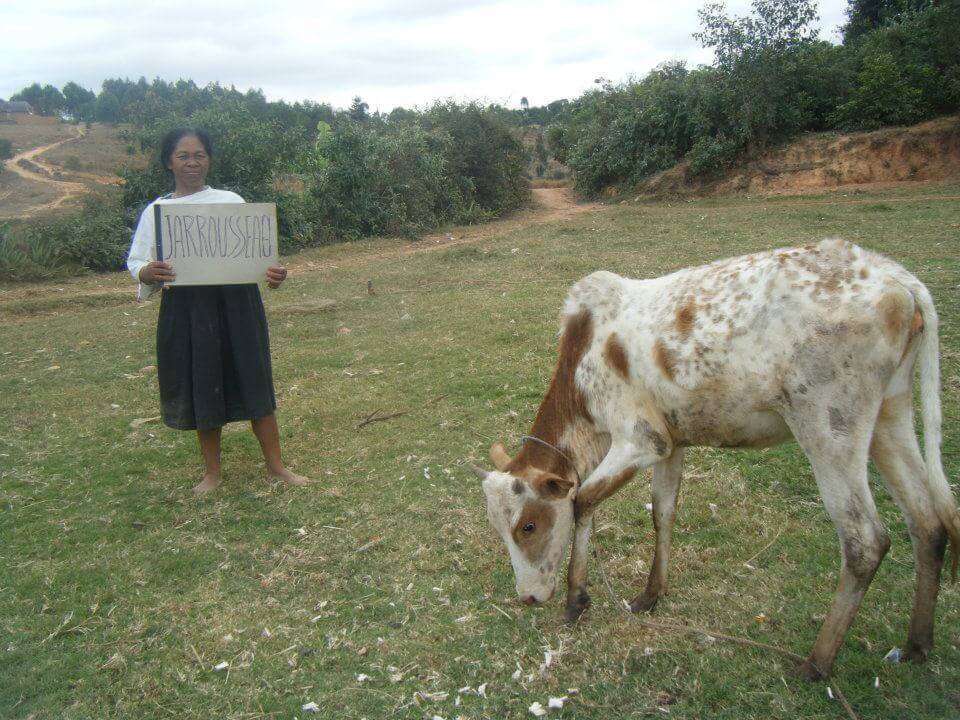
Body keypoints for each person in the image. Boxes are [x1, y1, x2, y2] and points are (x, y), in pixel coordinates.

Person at [126, 127, 308, 495]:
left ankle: (277, 467)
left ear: (209, 160)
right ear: (168, 162)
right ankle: (212, 474)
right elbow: (138, 262)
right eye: (183, 156)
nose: (192, 162)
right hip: (188, 310)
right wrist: (148, 271)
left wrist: (273, 273)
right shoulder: (158, 212)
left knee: (255, 380)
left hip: (238, 305)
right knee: (202, 381)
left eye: (200, 155)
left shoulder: (231, 201)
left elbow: (257, 257)